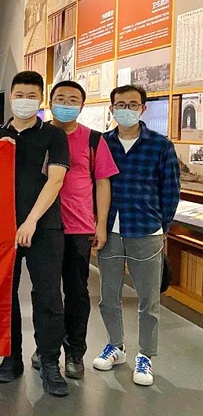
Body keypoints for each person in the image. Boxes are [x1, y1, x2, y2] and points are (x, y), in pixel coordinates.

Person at [0, 71, 71, 397]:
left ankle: (49, 362)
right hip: (1, 227)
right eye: (19, 95)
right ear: (10, 97)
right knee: (5, 296)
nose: (24, 101)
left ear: (40, 99)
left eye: (31, 96)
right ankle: (11, 357)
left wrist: (31, 220)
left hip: (43, 227)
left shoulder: (53, 135)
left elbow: (56, 180)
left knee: (48, 296)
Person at [93, 85, 180, 387]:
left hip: (146, 229)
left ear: (143, 108)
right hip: (110, 230)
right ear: (111, 109)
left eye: (133, 104)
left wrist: (160, 226)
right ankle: (115, 346)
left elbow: (170, 190)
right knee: (109, 296)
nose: (126, 109)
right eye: (120, 104)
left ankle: (146, 354)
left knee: (148, 299)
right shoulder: (102, 143)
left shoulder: (160, 145)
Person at [30, 80, 118, 380]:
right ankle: (45, 347)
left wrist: (101, 224)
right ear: (49, 101)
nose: (65, 104)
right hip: (43, 226)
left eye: (72, 100)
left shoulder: (93, 139)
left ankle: (74, 352)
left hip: (78, 227)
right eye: (60, 98)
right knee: (44, 292)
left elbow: (103, 183)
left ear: (81, 105)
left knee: (77, 293)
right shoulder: (37, 135)